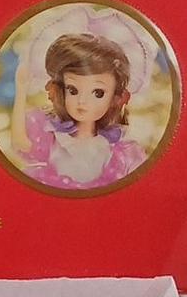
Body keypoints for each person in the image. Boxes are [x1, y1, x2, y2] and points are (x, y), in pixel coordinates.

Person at [10, 31, 146, 190]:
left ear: (115, 98)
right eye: (73, 90)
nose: (82, 101)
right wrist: (21, 90)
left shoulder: (118, 152)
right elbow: (21, 143)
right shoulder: (54, 138)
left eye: (98, 93)